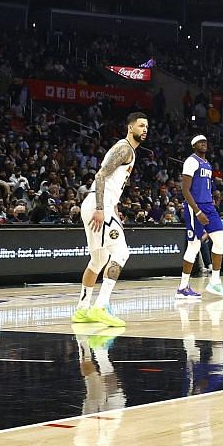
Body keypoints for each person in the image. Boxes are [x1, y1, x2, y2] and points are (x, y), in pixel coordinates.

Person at [73, 111, 148, 328]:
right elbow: (99, 176)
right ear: (130, 127)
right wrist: (101, 208)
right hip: (98, 205)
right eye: (141, 125)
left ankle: (81, 310)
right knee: (121, 253)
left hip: (101, 205)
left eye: (146, 127)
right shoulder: (124, 148)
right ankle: (101, 306)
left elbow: (111, 183)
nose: (144, 130)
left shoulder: (127, 150)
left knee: (97, 261)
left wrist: (113, 210)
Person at [175, 134, 223, 300]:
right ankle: (183, 287)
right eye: (200, 142)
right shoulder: (191, 161)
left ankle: (214, 282)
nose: (204, 144)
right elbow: (185, 190)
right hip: (195, 207)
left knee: (220, 241)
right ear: (194, 145)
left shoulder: (207, 163)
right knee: (193, 246)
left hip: (209, 206)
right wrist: (198, 212)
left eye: (205, 142)